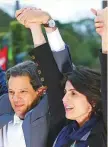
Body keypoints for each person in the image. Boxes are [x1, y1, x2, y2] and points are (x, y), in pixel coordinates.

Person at [16, 8, 107, 147]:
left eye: (73, 93)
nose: (64, 98)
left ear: (93, 101)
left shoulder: (102, 132)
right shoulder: (65, 128)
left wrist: (105, 35)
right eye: (65, 92)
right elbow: (52, 78)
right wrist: (35, 27)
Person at [0, 8, 73, 147]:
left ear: (40, 91)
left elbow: (61, 75)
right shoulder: (3, 106)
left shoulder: (49, 115)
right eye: (11, 92)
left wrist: (42, 26)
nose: (15, 99)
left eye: (23, 91)